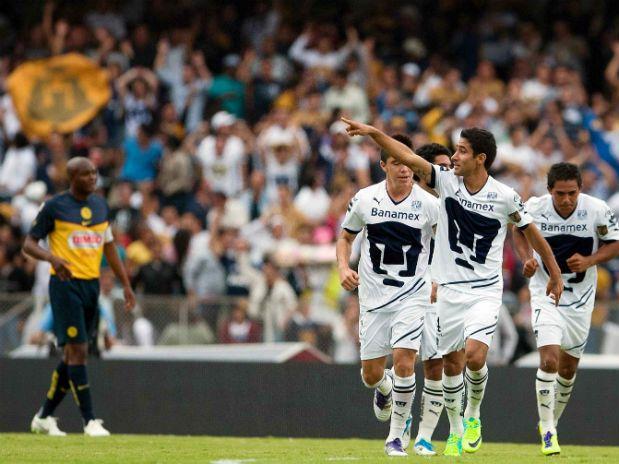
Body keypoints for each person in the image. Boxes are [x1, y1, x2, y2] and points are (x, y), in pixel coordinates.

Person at [341, 117, 563, 456]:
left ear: (480, 159)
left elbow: (529, 229)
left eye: (461, 151)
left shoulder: (504, 196)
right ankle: (454, 426)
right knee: (440, 366)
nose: (454, 156)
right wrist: (373, 133)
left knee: (469, 357)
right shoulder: (445, 184)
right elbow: (410, 157)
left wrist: (554, 271)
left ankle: (446, 423)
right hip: (441, 291)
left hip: (483, 291)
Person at [336, 134, 439, 457]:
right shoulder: (366, 199)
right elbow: (345, 238)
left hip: (413, 294)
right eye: (397, 162)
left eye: (409, 162)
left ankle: (396, 436)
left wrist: (438, 278)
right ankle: (385, 388)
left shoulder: (429, 204)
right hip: (373, 296)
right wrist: (343, 268)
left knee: (405, 361)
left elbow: (446, 245)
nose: (405, 169)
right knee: (370, 374)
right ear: (384, 165)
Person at [23, 157, 135, 437]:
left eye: (95, 173)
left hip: (91, 286)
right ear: (72, 177)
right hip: (65, 285)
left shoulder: (100, 206)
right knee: (79, 351)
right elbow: (28, 244)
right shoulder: (54, 207)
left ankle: (44, 416)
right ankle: (90, 421)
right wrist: (52, 258)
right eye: (87, 174)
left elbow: (109, 246)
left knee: (75, 351)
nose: (93, 178)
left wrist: (126, 284)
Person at [513, 162, 619, 456]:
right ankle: (548, 432)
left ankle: (551, 422)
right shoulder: (535, 206)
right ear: (550, 191)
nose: (567, 200)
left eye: (572, 193)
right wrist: (527, 259)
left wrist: (590, 260)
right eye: (561, 194)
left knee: (568, 369)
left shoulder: (596, 209)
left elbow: (615, 243)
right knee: (549, 361)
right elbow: (517, 231)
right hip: (546, 294)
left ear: (580, 190)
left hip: (581, 300)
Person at [409, 142, 452, 456]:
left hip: (438, 297)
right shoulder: (400, 201)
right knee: (389, 365)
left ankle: (424, 437)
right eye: (441, 167)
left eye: (449, 166)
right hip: (398, 293)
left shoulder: (452, 203)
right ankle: (386, 390)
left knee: (435, 365)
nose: (448, 172)